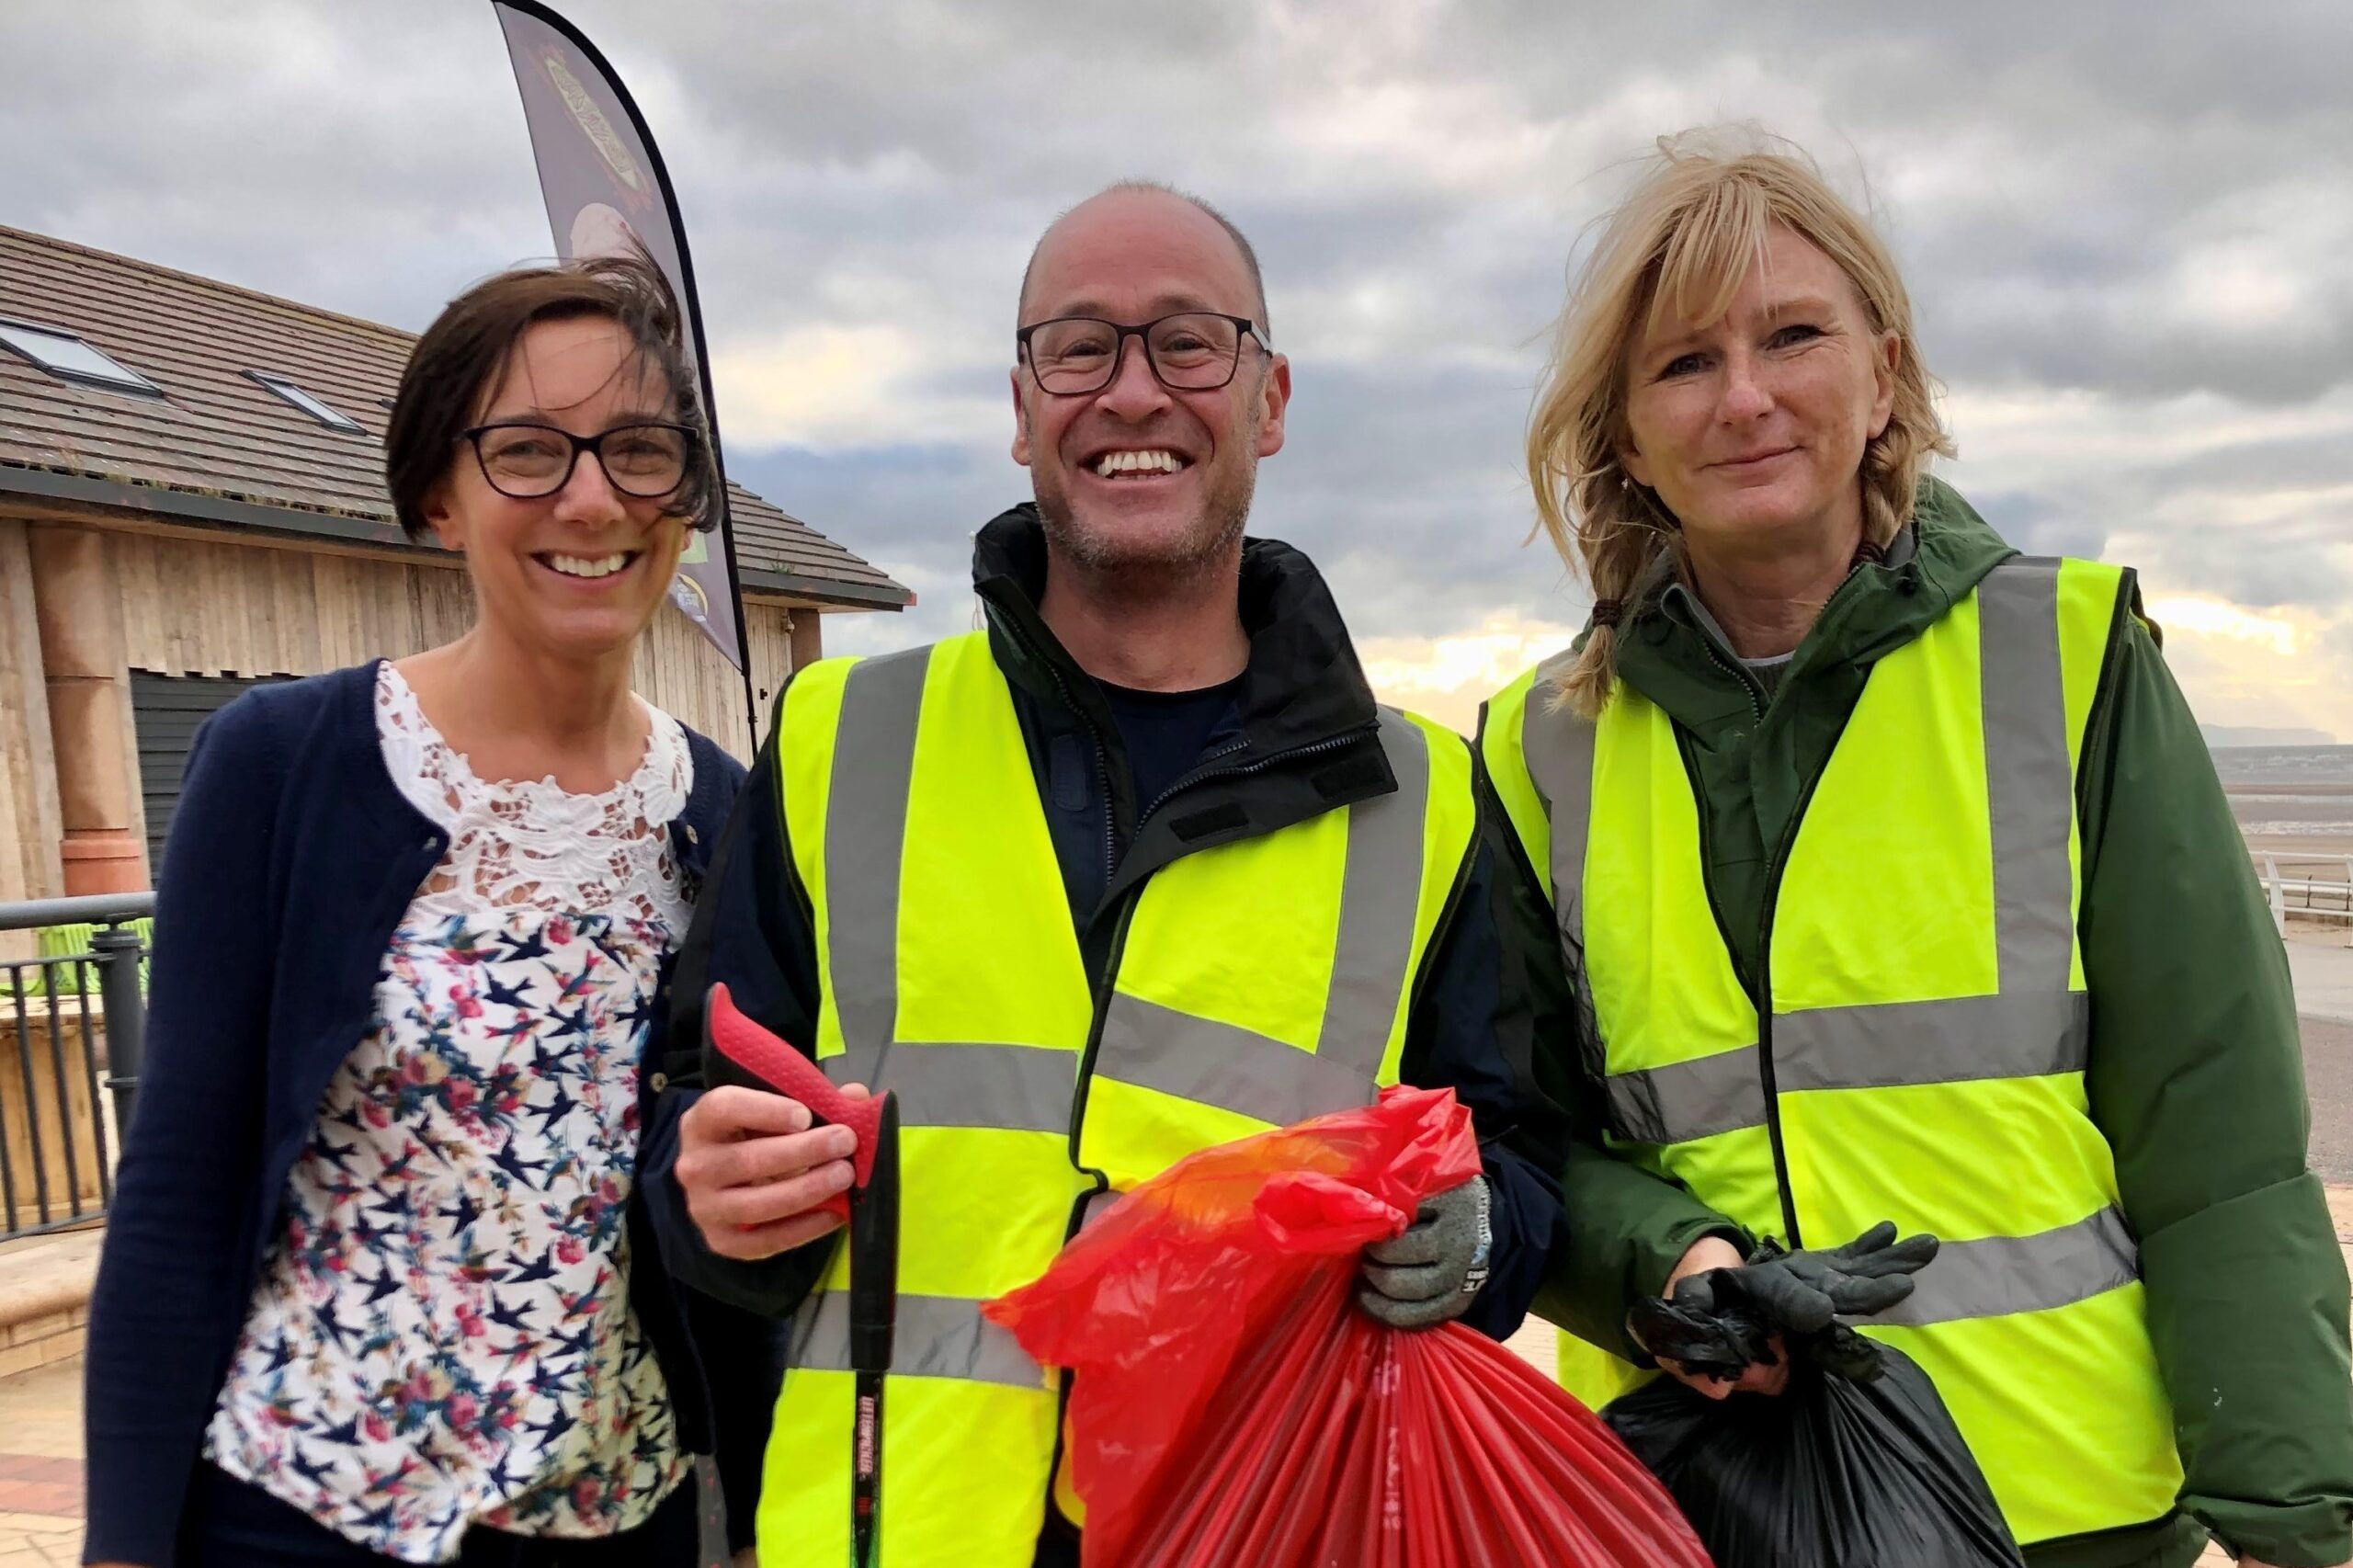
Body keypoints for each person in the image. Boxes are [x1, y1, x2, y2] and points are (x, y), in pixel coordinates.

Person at [642, 180, 1568, 1568]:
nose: (1132, 392)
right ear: (1023, 408)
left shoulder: (1423, 797)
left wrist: (1480, 1235)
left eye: (1187, 343)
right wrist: (710, 1197)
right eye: (1081, 347)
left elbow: (1521, 1156)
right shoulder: (844, 739)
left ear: (1270, 399)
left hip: (1257, 1530)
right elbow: (696, 1128)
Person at [1482, 131, 2353, 1568]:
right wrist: (1672, 1263)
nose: (1747, 394)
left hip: (2061, 1510)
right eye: (1684, 362)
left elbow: (2223, 1135)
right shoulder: (1540, 750)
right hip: (1699, 1504)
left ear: (1884, 375)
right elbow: (1525, 1139)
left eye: (1794, 335)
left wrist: (2292, 1517)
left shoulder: (2065, 658)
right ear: (1624, 434)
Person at [82, 255, 779, 1568]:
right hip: (304, 1506)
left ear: (684, 499)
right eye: (526, 450)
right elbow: (178, 1183)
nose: (591, 497)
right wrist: (121, 1544)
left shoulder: (727, 810)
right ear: (437, 498)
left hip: (616, 1515)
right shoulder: (283, 761)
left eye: (639, 450)